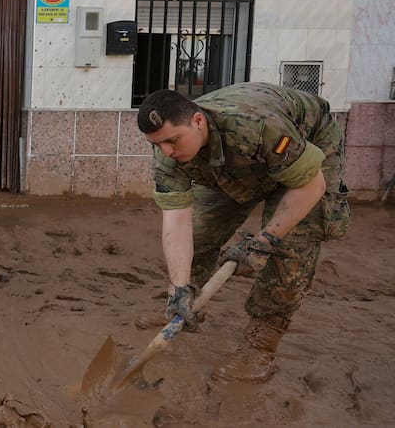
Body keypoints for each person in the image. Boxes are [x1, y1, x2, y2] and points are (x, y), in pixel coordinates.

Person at [136, 82, 350, 383]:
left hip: (306, 146)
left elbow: (310, 185)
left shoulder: (257, 127)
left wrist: (266, 240)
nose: (166, 151)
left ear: (197, 122)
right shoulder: (169, 155)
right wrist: (179, 286)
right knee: (200, 233)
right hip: (233, 159)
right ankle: (186, 305)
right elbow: (177, 222)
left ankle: (261, 343)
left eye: (172, 140)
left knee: (290, 249)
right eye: (157, 144)